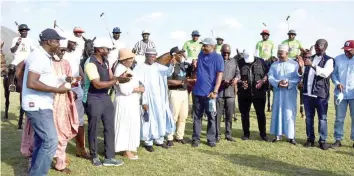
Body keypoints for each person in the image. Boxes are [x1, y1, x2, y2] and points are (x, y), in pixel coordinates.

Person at [22, 28, 69, 176]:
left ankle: (34, 172)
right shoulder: (38, 57)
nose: (59, 44)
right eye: (57, 41)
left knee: (42, 141)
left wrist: (62, 80)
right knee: (50, 142)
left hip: (42, 104)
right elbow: (32, 82)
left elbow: (43, 79)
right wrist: (56, 90)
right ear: (49, 41)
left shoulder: (44, 57)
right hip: (37, 105)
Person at [84, 38, 123, 166]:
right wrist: (116, 81)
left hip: (105, 97)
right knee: (93, 127)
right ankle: (94, 155)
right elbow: (97, 84)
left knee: (109, 126)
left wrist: (121, 78)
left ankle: (109, 157)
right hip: (93, 97)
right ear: (100, 49)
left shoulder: (106, 62)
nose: (108, 51)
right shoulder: (90, 63)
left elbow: (111, 77)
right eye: (107, 49)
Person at [133, 48, 175, 152]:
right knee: (148, 118)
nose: (152, 58)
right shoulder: (139, 68)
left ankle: (159, 140)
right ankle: (148, 142)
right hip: (147, 98)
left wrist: (172, 64)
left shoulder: (158, 67)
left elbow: (168, 72)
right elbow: (135, 81)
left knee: (160, 117)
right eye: (150, 56)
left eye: (154, 56)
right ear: (146, 56)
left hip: (158, 98)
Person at [52, 39, 80, 173]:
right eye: (61, 50)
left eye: (64, 50)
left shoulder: (66, 63)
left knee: (62, 131)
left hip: (63, 102)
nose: (63, 53)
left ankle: (60, 162)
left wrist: (72, 81)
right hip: (48, 101)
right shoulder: (46, 63)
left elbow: (70, 80)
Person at [191, 37, 224, 147]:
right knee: (197, 116)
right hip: (197, 92)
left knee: (211, 117)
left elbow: (220, 75)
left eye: (205, 45)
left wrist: (215, 91)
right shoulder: (200, 54)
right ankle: (196, 138)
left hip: (210, 93)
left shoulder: (218, 58)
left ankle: (211, 139)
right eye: (203, 45)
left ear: (213, 46)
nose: (203, 47)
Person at [301, 39, 333, 150]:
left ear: (325, 47)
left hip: (320, 94)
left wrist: (312, 65)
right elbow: (304, 72)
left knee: (322, 118)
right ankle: (310, 139)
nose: (318, 48)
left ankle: (322, 141)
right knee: (309, 118)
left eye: (320, 46)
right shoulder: (310, 58)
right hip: (307, 94)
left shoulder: (329, 60)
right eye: (316, 46)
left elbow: (325, 73)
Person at [62, 36, 90, 159]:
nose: (74, 44)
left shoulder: (75, 55)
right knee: (64, 121)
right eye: (72, 42)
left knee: (80, 120)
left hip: (78, 88)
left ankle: (81, 149)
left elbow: (78, 68)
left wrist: (84, 79)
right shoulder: (60, 54)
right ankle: (61, 154)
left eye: (75, 43)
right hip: (64, 89)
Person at [113, 48, 144, 159]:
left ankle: (127, 148)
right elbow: (125, 90)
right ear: (124, 59)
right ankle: (126, 150)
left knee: (129, 124)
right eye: (130, 58)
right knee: (125, 125)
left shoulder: (126, 68)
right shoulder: (121, 70)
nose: (132, 60)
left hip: (130, 101)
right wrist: (138, 89)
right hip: (125, 101)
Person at [268, 44, 302, 145]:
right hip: (278, 93)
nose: (279, 55)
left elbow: (298, 77)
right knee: (277, 112)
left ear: (287, 53)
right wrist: (278, 82)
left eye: (281, 53)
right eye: (278, 53)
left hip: (290, 93)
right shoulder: (274, 64)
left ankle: (291, 136)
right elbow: (270, 76)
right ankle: (277, 135)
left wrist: (289, 83)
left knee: (289, 114)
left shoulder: (294, 64)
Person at [237, 49, 270, 142]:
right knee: (244, 114)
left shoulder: (261, 62)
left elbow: (268, 73)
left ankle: (263, 134)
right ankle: (246, 134)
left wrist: (263, 80)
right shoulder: (240, 62)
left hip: (259, 93)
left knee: (261, 114)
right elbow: (236, 75)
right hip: (244, 94)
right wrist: (240, 82)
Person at [166, 47, 192, 146]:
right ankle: (169, 137)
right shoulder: (170, 66)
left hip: (184, 92)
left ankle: (179, 136)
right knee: (173, 116)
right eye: (179, 54)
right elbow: (168, 81)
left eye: (182, 54)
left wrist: (186, 57)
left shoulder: (183, 65)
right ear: (174, 55)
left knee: (183, 116)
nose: (181, 55)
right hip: (174, 92)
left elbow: (192, 68)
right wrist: (181, 82)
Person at [331, 40, 354, 148]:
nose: (346, 53)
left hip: (353, 94)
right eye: (345, 50)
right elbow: (334, 74)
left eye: (349, 51)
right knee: (339, 118)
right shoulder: (338, 59)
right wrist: (337, 83)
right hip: (340, 94)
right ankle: (338, 139)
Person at [215, 44, 239, 142]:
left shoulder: (234, 61)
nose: (225, 54)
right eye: (224, 52)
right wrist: (221, 81)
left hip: (230, 93)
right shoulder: (217, 61)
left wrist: (236, 79)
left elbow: (238, 73)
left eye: (227, 53)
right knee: (217, 115)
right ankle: (217, 135)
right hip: (219, 92)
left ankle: (228, 134)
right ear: (221, 52)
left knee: (229, 115)